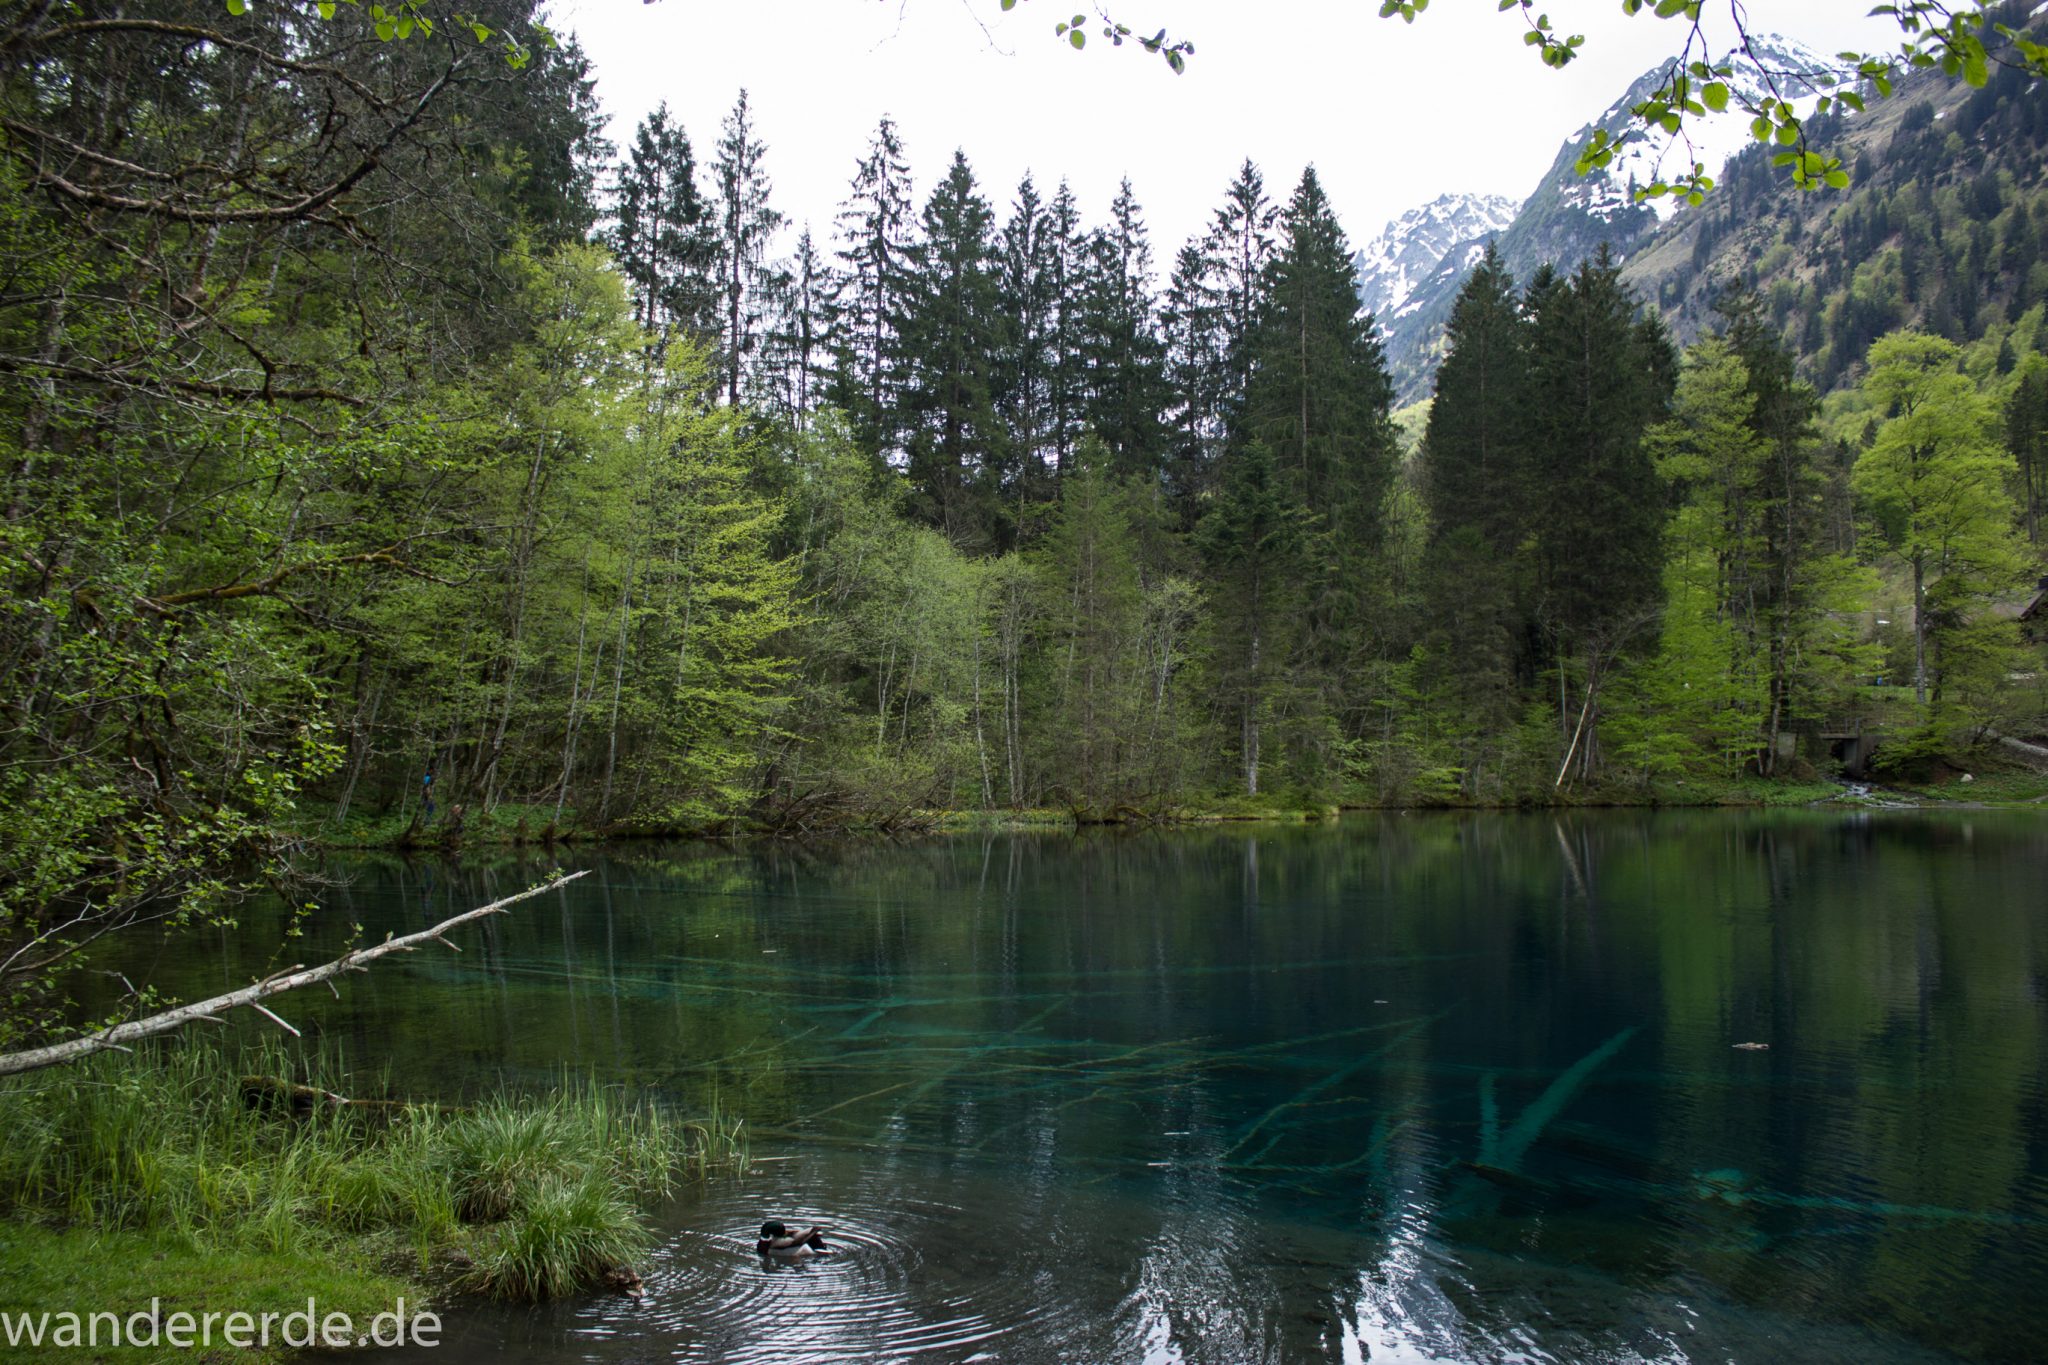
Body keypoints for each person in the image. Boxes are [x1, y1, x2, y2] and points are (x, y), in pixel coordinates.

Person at [756, 1220, 831, 1256]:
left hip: (806, 1246)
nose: (785, 1234)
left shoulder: (767, 1247)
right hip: (807, 1240)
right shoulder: (773, 1242)